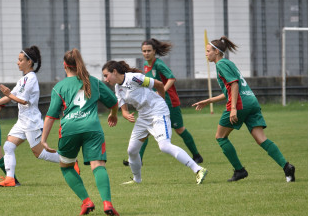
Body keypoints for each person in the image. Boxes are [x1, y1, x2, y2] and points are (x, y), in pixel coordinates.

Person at [192, 36, 295, 182]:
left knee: (220, 137)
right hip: (251, 101)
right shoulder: (229, 63)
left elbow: (234, 85)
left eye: (208, 51)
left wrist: (233, 108)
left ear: (216, 52)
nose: (206, 54)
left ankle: (240, 170)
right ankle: (287, 167)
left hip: (240, 104)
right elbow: (230, 89)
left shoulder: (221, 65)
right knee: (261, 139)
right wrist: (209, 101)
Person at [102, 60, 208, 185]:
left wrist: (161, 101)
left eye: (106, 75)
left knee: (164, 146)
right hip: (143, 116)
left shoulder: (134, 78)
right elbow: (123, 109)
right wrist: (126, 116)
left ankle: (198, 169)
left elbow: (158, 84)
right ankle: (137, 180)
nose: (105, 79)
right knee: (132, 150)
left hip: (158, 112)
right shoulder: (118, 88)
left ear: (114, 72)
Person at [41, 49, 120, 216]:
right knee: (98, 166)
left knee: (67, 167)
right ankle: (107, 203)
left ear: (64, 66)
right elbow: (113, 102)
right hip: (92, 128)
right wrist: (113, 115)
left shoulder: (59, 87)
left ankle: (87, 201)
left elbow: (50, 116)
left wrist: (44, 140)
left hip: (69, 129)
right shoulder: (94, 82)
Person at [0, 46, 62, 187]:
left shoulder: (31, 79)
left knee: (39, 153)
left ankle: (69, 161)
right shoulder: (23, 79)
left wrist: (8, 94)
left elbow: (22, 100)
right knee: (8, 146)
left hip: (31, 121)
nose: (17, 62)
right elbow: (10, 97)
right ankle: (10, 179)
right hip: (22, 121)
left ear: (29, 62)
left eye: (20, 60)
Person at [123, 39, 203, 166]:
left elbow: (172, 78)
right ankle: (138, 160)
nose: (146, 53)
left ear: (154, 51)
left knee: (179, 129)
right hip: (155, 104)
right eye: (144, 51)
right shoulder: (145, 64)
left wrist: (161, 91)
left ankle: (197, 155)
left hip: (169, 102)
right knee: (146, 130)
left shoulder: (158, 64)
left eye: (149, 51)